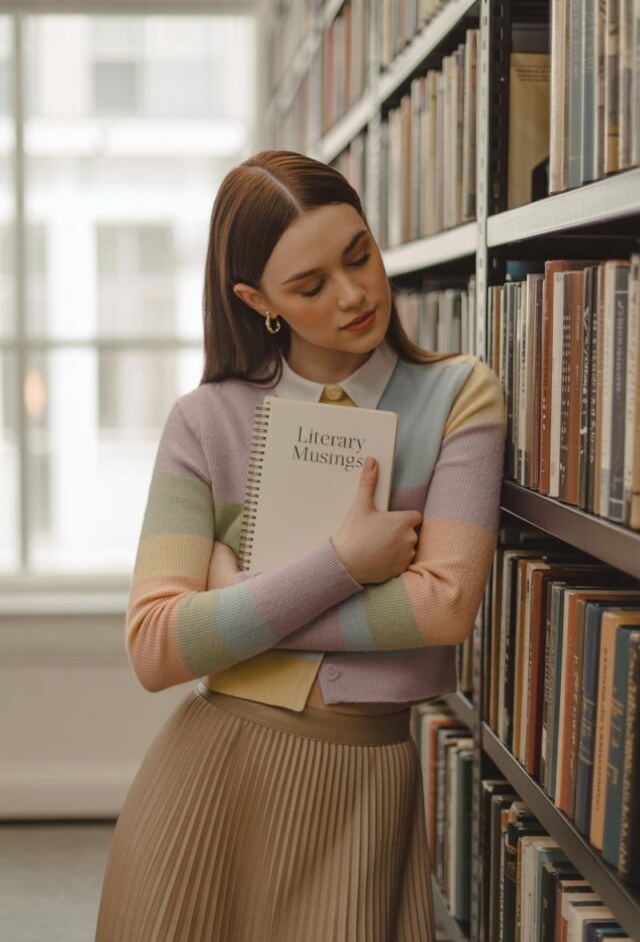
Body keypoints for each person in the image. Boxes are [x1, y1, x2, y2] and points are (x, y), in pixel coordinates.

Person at [95, 149, 506, 941]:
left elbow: (446, 608)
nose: (355, 294)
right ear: (258, 301)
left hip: (365, 785)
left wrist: (238, 600)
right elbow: (155, 648)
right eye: (311, 286)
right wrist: (344, 566)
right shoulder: (204, 421)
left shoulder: (460, 397)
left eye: (360, 255)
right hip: (209, 782)